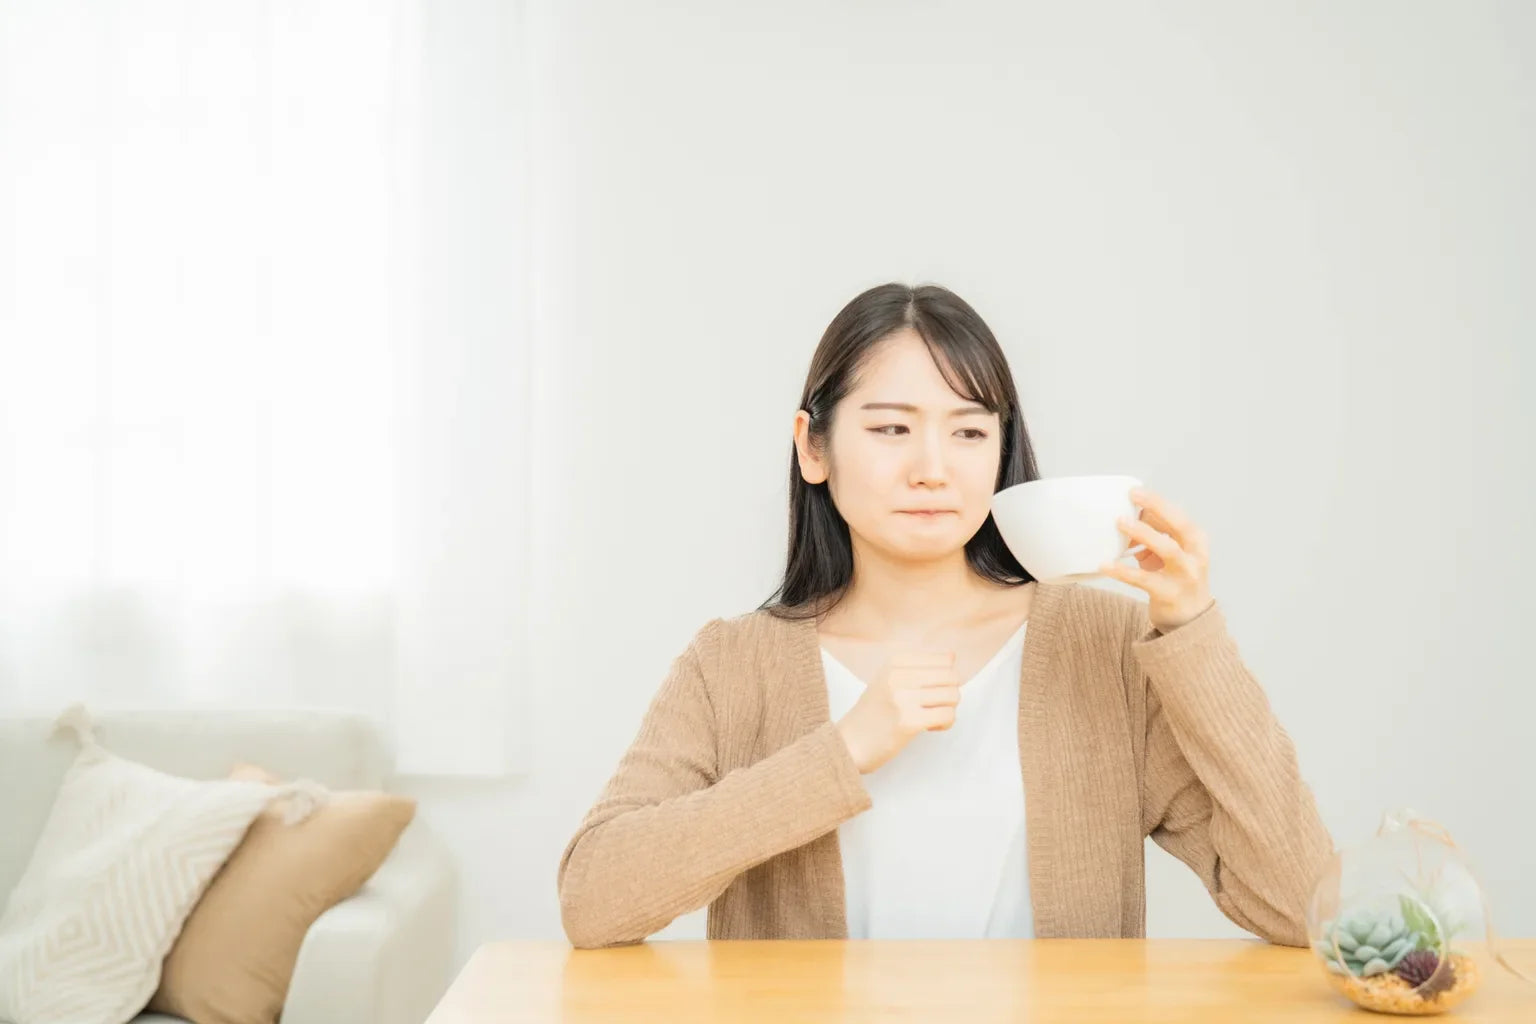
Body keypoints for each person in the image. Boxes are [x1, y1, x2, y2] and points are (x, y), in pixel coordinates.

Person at [557, 282, 1334, 950]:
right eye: (891, 428)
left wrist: (1191, 633)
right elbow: (593, 899)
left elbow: (1302, 905)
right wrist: (845, 749)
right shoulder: (732, 664)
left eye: (968, 431)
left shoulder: (1105, 646)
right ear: (813, 447)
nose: (932, 468)